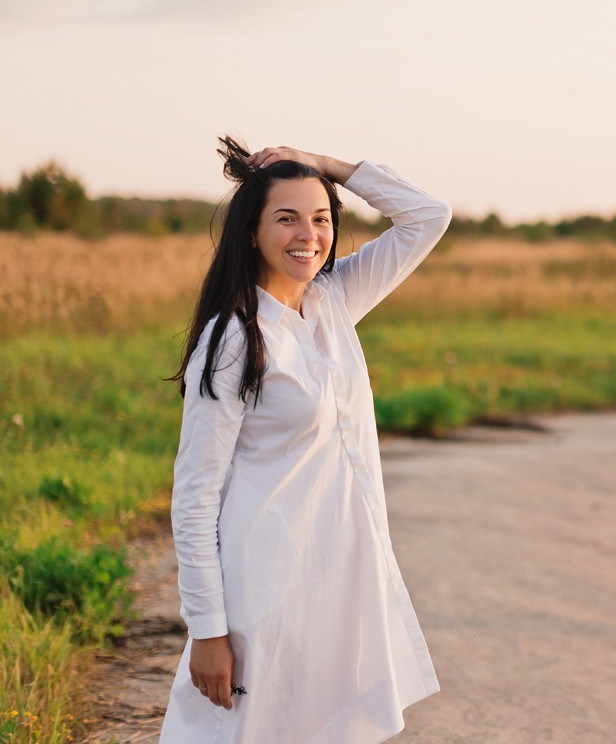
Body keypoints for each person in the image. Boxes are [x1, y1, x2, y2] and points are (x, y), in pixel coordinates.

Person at [160, 137, 451, 743]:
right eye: (286, 218)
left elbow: (428, 215)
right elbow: (194, 497)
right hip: (261, 592)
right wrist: (208, 630)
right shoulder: (235, 340)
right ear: (250, 233)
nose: (308, 235)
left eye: (320, 219)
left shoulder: (333, 301)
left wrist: (327, 166)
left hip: (334, 584)